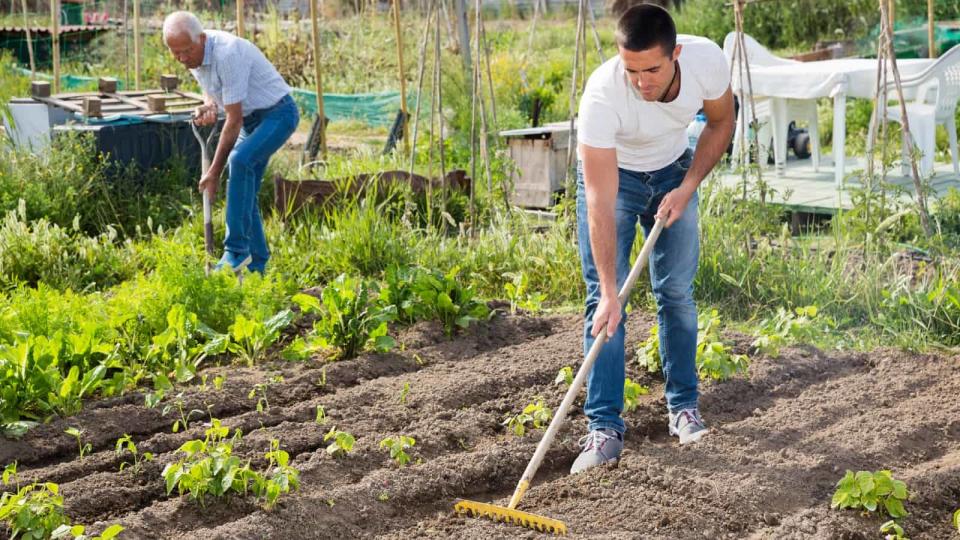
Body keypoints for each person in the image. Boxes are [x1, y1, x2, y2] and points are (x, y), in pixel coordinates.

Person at [570, 4, 735, 474]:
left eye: (652, 70)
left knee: (676, 294)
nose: (641, 81)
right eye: (631, 70)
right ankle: (604, 429)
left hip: (674, 171)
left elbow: (722, 121)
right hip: (615, 181)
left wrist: (687, 187)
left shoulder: (706, 61)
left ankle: (683, 407)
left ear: (676, 54)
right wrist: (607, 291)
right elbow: (600, 202)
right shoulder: (601, 97)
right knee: (605, 307)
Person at [163, 11, 299, 274]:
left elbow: (233, 121)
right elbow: (210, 89)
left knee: (239, 161)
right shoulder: (193, 55)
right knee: (245, 190)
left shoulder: (227, 54)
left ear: (201, 38)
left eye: (186, 52)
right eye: (175, 53)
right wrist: (209, 104)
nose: (182, 59)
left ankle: (236, 251)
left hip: (278, 114)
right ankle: (257, 265)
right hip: (251, 119)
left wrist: (213, 172)